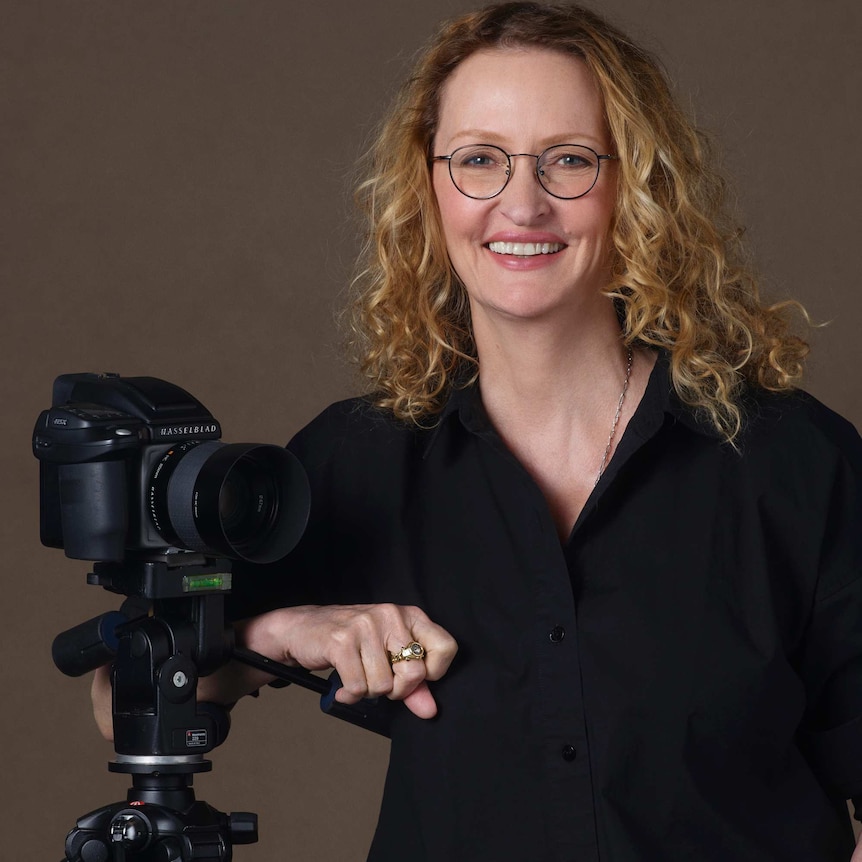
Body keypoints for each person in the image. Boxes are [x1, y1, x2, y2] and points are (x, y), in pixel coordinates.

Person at [93, 3, 862, 859]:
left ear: (637, 188)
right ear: (429, 187)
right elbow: (118, 698)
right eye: (479, 161)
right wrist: (275, 633)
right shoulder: (359, 460)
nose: (521, 204)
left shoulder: (792, 462)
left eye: (569, 160)